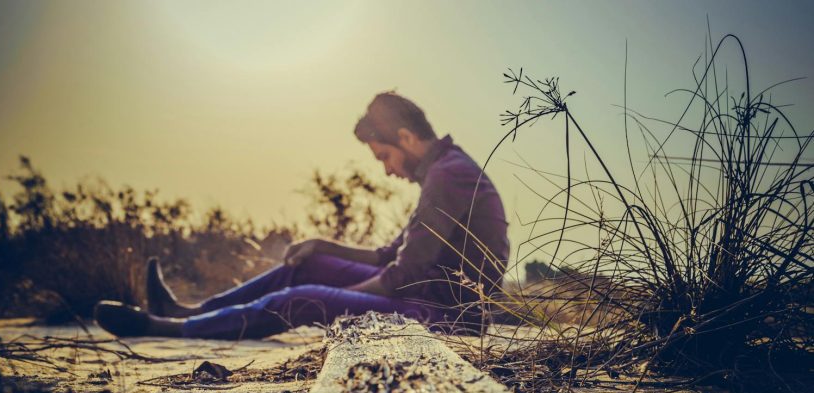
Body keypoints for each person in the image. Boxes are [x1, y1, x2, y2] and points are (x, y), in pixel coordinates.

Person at [94, 92, 510, 339]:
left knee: (306, 297)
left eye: (384, 156)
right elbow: (390, 256)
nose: (386, 169)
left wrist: (338, 297)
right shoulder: (444, 171)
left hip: (448, 319)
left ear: (405, 137)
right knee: (308, 264)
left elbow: (400, 276)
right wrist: (321, 246)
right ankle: (192, 311)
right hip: (419, 298)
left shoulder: (449, 177)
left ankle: (169, 329)